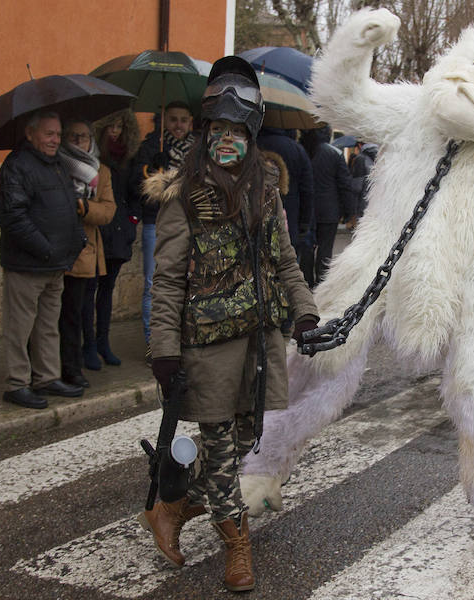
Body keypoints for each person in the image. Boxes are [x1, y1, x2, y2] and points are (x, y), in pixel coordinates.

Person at [140, 56, 318, 592]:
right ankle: (237, 550)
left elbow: (286, 261)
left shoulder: (266, 187)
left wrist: (306, 313)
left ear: (251, 134)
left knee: (243, 442)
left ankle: (171, 506)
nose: (226, 141)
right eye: (218, 130)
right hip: (209, 347)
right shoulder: (183, 195)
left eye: (237, 131)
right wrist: (163, 350)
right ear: (205, 130)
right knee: (220, 455)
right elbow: (167, 280)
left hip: (260, 344)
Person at [0, 111, 86, 409]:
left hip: (55, 263)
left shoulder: (58, 165)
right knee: (19, 327)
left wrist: (76, 243)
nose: (55, 140)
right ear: (30, 134)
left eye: (58, 134)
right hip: (27, 263)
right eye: (49, 134)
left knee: (48, 325)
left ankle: (47, 377)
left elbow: (70, 208)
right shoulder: (16, 166)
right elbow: (13, 217)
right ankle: (16, 383)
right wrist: (47, 249)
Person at [131, 102, 196, 364]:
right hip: (155, 223)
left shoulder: (199, 150)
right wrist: (155, 173)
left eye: (183, 120)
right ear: (164, 121)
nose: (178, 125)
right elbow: (137, 185)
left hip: (192, 223)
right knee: (154, 283)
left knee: (188, 282)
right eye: (173, 120)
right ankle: (154, 344)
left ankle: (181, 339)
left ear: (191, 122)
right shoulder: (151, 147)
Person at [56, 119, 116, 387]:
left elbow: (107, 211)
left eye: (83, 136)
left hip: (86, 252)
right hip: (58, 249)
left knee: (79, 310)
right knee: (59, 314)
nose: (79, 141)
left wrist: (84, 209)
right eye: (72, 136)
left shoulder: (100, 171)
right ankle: (59, 366)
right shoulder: (56, 165)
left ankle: (78, 360)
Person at [83, 110, 141, 368]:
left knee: (106, 292)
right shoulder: (93, 158)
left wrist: (132, 221)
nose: (115, 131)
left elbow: (136, 194)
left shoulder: (128, 158)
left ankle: (103, 342)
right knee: (88, 291)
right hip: (96, 230)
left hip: (119, 232)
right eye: (112, 125)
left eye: (120, 126)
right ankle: (88, 346)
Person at [256, 127, 315, 277]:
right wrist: (304, 224)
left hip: (255, 224)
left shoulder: (252, 145)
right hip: (291, 223)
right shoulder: (297, 149)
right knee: (288, 270)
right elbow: (307, 190)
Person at [300, 126, 355, 283]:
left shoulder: (304, 151)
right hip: (329, 210)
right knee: (325, 249)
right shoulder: (335, 154)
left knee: (307, 248)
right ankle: (322, 281)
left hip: (308, 208)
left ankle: (307, 280)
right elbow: (345, 185)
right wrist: (349, 212)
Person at [349, 140, 378, 218]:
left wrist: (352, 211)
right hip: (378, 203)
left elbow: (356, 187)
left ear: (359, 145)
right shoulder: (381, 155)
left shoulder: (361, 158)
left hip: (363, 205)